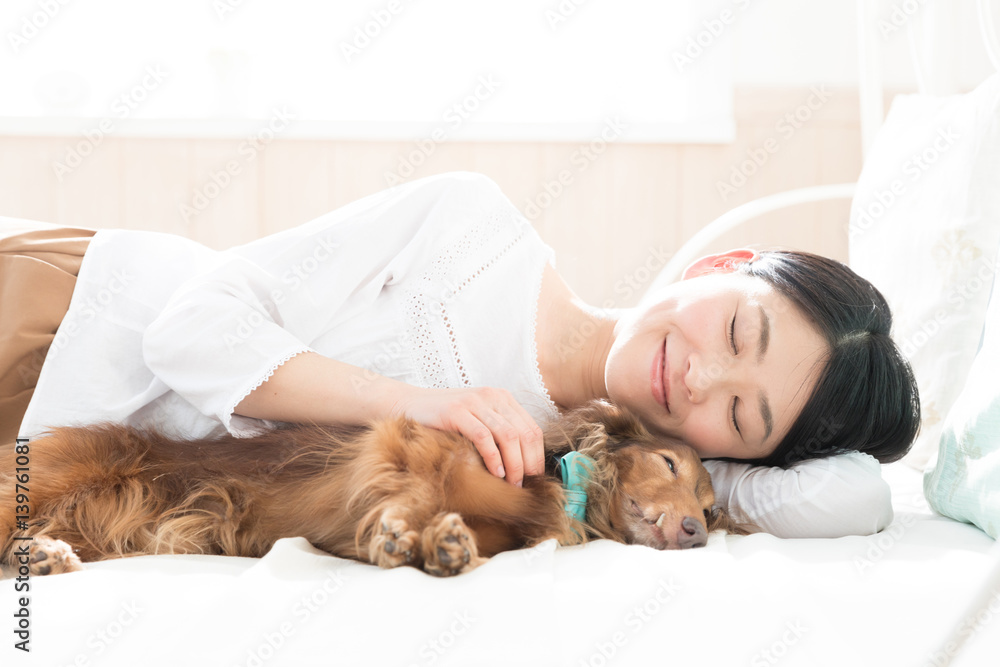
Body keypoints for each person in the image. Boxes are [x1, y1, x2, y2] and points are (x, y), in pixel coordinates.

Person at [5, 172, 920, 538]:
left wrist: (740, 477)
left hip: (64, 475)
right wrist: (421, 405)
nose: (702, 376)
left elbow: (858, 496)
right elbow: (186, 332)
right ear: (718, 267)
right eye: (735, 331)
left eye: (740, 414)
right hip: (69, 322)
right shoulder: (472, 228)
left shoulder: (564, 477)